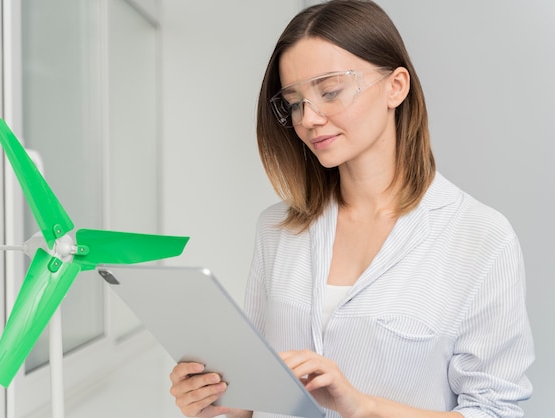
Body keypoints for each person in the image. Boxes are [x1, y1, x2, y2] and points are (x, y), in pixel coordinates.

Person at [169, 1, 534, 417]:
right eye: (294, 102)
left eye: (330, 92)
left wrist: (362, 406)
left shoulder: (480, 237)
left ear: (396, 86)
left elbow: (497, 411)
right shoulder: (276, 229)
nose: (308, 118)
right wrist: (214, 404)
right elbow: (254, 397)